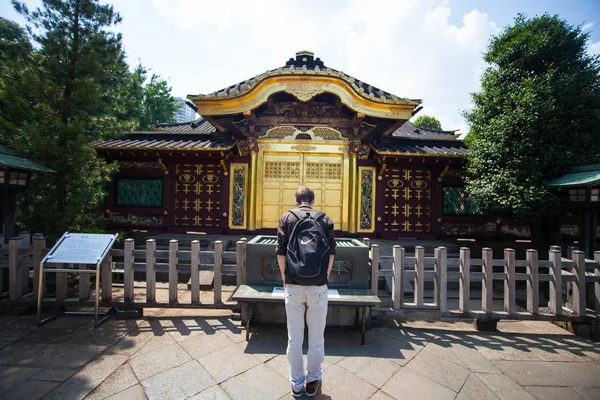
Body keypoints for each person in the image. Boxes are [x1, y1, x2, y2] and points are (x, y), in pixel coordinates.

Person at [275, 186, 336, 397]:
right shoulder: (325, 219)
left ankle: (296, 383)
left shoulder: (286, 218)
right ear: (313, 200)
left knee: (294, 338)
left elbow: (281, 252)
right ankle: (313, 381)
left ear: (296, 200)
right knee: (317, 338)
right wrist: (324, 278)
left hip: (293, 285)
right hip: (319, 286)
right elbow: (331, 254)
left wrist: (285, 278)